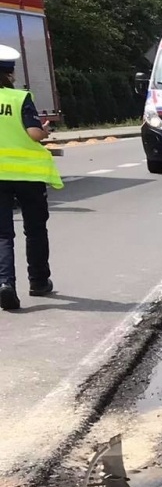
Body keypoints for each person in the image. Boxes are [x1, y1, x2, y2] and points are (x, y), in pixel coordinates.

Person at [0, 44, 62, 312]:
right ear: (10, 74)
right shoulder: (18, 99)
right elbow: (34, 134)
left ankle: (5, 284)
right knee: (34, 229)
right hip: (26, 175)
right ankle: (38, 281)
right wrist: (45, 130)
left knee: (2, 233)